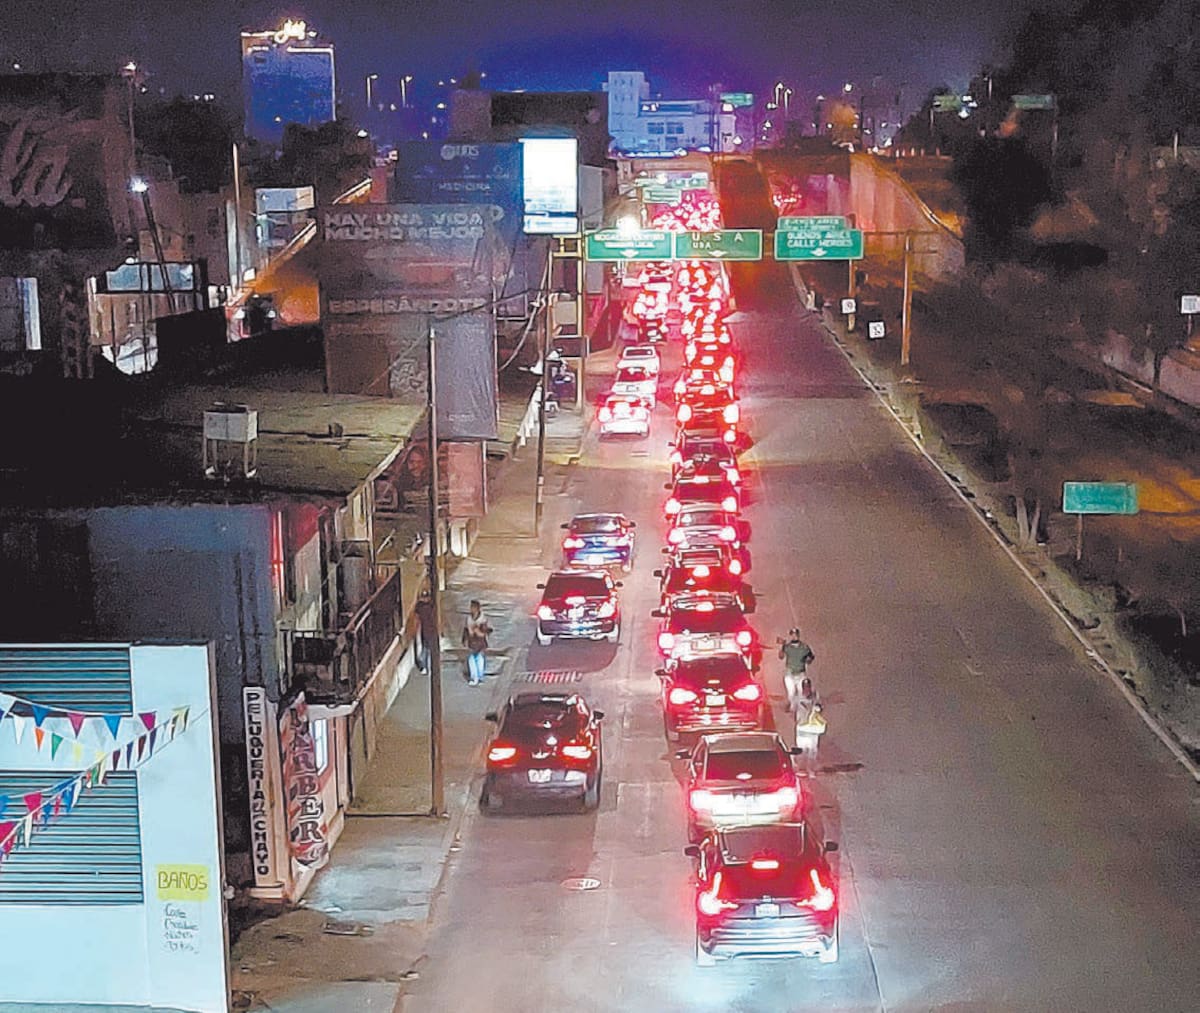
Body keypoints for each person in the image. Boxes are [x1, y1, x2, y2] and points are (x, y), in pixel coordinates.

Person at [778, 629, 815, 713]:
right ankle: (793, 708)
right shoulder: (787, 647)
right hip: (789, 674)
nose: (794, 636)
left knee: (802, 693)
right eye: (792, 634)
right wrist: (782, 646)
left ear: (798, 635)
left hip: (801, 673)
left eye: (796, 634)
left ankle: (801, 710)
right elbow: (780, 656)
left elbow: (811, 656)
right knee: (791, 694)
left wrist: (808, 660)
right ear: (791, 636)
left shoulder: (804, 647)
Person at [462, 600, 492, 687]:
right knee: (472, 659)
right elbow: (465, 629)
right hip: (472, 642)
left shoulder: (483, 619)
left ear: (478, 609)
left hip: (480, 642)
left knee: (479, 659)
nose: (472, 609)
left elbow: (487, 631)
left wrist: (479, 631)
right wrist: (464, 639)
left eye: (473, 607)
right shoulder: (468, 618)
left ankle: (479, 677)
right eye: (471, 607)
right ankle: (475, 677)